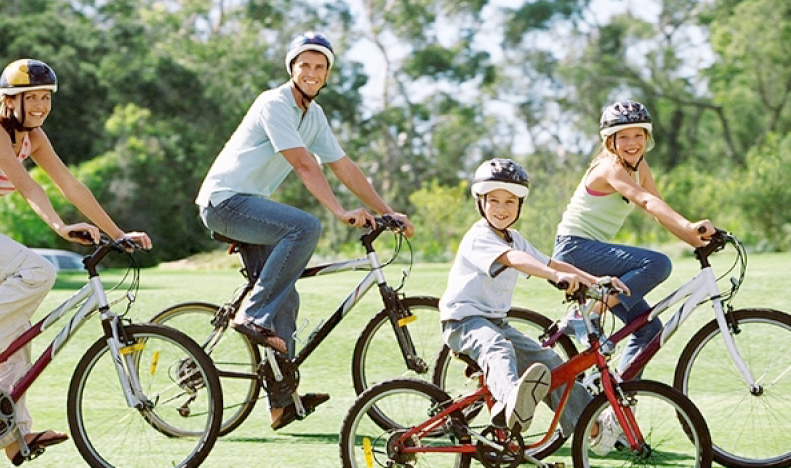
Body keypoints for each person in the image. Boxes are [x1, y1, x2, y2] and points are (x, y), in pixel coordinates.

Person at [195, 31, 414, 431]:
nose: (312, 72)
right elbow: (304, 165)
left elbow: (343, 166)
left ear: (328, 74)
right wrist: (340, 211)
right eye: (305, 65)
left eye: (320, 66)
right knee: (305, 227)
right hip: (225, 202)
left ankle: (282, 403)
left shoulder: (312, 116)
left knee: (287, 300)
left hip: (248, 209)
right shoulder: (274, 102)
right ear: (292, 69)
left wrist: (388, 212)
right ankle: (252, 315)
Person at [0, 58, 151, 465]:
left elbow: (69, 184)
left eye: (46, 97)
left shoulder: (34, 136)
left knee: (17, 337)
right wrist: (59, 226)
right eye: (30, 96)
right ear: (9, 99)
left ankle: (15, 436)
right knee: (39, 270)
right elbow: (29, 185)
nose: (40, 104)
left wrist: (117, 233)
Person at [439, 158, 629, 446]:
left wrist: (595, 280)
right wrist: (552, 275)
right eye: (494, 201)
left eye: (510, 202)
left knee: (552, 364)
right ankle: (509, 407)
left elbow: (551, 261)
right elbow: (515, 260)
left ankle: (592, 430)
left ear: (519, 206)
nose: (502, 209)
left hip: (495, 322)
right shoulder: (480, 237)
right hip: (463, 321)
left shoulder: (514, 238)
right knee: (497, 348)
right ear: (481, 203)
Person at [553, 99, 714, 377]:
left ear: (647, 138)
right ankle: (585, 316)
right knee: (658, 264)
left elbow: (659, 210)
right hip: (574, 250)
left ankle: (616, 407)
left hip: (593, 252)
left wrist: (696, 240)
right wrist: (689, 225)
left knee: (649, 330)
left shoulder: (640, 168)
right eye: (623, 136)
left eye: (638, 135)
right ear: (610, 142)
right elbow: (645, 202)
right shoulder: (609, 168)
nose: (632, 142)